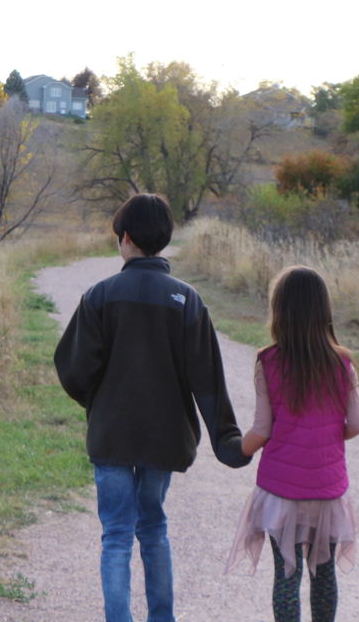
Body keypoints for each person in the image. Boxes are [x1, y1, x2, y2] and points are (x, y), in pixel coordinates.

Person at [54, 192, 251, 622]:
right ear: (163, 239)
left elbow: (71, 368)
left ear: (125, 238)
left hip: (112, 436)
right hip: (164, 438)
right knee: (154, 527)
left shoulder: (99, 296)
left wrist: (100, 401)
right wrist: (228, 441)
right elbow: (209, 380)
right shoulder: (187, 300)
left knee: (117, 536)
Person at [226, 266, 359, 622]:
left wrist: (239, 450)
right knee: (324, 574)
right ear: (324, 311)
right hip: (327, 491)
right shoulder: (342, 363)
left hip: (280, 493)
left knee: (286, 575)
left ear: (279, 311)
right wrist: (331, 435)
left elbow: (262, 428)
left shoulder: (269, 362)